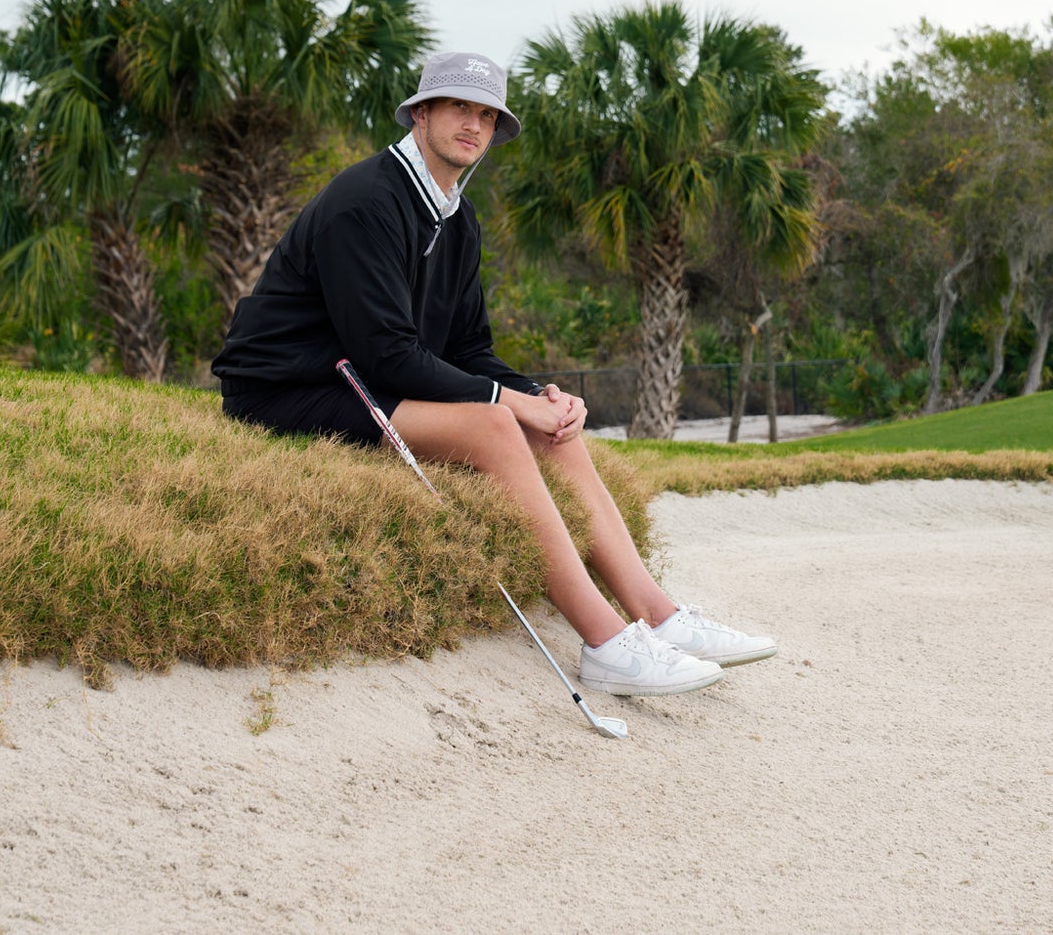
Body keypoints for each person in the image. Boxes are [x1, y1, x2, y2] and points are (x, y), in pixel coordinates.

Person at [213, 50, 775, 697]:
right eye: (459, 107)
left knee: (547, 427)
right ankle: (607, 644)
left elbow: (469, 346)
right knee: (494, 427)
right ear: (421, 113)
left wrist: (542, 397)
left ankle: (660, 616)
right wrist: (509, 405)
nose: (474, 125)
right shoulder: (366, 201)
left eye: (486, 114)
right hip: (288, 388)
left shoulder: (458, 216)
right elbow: (387, 356)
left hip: (367, 377)